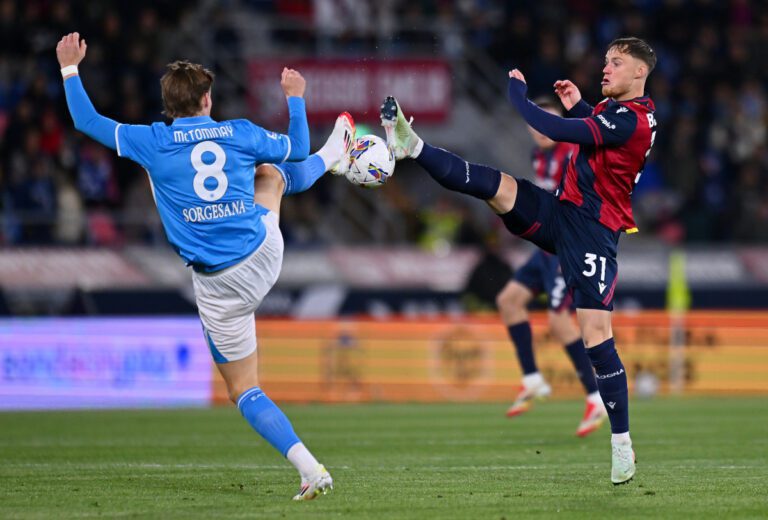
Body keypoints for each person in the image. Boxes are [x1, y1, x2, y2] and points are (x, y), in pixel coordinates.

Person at [56, 32, 356, 500]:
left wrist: (69, 67)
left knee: (244, 391)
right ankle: (333, 154)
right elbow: (297, 147)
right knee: (272, 176)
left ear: (168, 106)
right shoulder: (239, 132)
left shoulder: (152, 140)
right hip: (263, 254)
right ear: (207, 99)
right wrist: (296, 98)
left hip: (217, 286)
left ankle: (310, 467)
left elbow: (85, 119)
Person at [381, 37, 657, 485]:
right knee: (496, 186)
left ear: (640, 72)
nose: (606, 68)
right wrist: (581, 105)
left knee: (595, 335)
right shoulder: (620, 112)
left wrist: (518, 98)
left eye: (617, 63)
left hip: (594, 232)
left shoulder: (632, 119)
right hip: (563, 210)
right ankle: (412, 146)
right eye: (606, 60)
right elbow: (599, 131)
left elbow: (563, 132)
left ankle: (621, 442)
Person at [495, 97, 606, 437]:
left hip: (567, 247)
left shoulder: (573, 151)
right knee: (509, 301)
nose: (540, 129)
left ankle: (596, 396)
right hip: (545, 249)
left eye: (549, 120)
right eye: (536, 121)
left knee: (559, 321)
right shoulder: (538, 156)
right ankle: (532, 379)